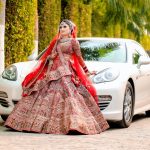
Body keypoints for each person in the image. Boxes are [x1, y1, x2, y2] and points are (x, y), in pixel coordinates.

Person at [5, 19, 109, 134]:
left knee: (69, 93)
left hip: (66, 71)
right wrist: (51, 57)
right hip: (52, 72)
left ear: (70, 29)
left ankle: (75, 124)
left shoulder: (74, 42)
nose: (62, 29)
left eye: (64, 27)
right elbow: (48, 57)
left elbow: (79, 58)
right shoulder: (56, 42)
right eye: (60, 27)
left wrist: (86, 71)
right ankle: (33, 123)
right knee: (42, 94)